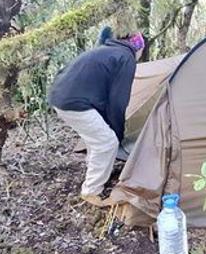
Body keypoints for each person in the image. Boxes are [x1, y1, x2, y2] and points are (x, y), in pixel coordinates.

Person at [48, 28, 144, 206]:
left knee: (97, 138)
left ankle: (94, 171)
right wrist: (118, 133)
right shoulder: (126, 57)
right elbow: (118, 101)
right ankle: (91, 192)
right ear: (139, 48)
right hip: (74, 102)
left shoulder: (106, 51)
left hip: (59, 95)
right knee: (107, 142)